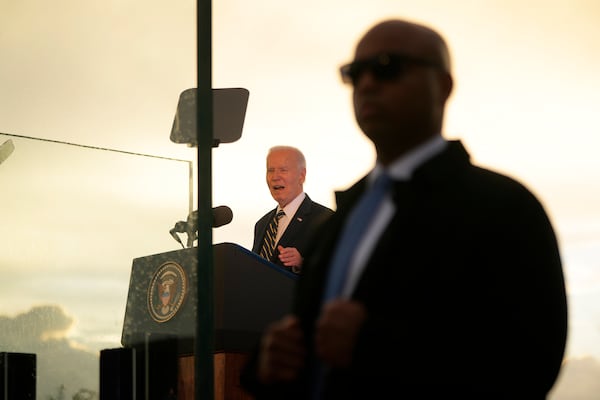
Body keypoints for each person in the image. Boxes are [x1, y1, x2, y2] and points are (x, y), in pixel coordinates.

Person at [240, 19, 568, 399]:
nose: (366, 84)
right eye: (354, 73)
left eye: (386, 67)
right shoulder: (343, 220)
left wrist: (377, 347)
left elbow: (531, 362)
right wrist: (269, 364)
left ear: (442, 86)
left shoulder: (504, 208)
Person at [252, 145, 334, 273]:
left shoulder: (325, 219)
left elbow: (337, 272)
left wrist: (302, 263)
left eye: (283, 170)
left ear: (302, 175)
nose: (275, 177)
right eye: (270, 170)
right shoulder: (261, 224)